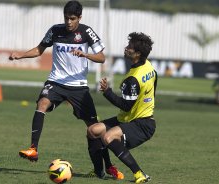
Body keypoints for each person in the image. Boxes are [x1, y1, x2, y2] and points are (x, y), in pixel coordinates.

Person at [9, 0, 123, 180]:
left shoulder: (86, 32)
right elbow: (40, 49)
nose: (68, 22)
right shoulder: (55, 30)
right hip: (56, 81)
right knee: (42, 103)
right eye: (66, 18)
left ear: (79, 18)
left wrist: (85, 54)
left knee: (95, 128)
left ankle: (107, 166)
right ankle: (33, 149)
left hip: (78, 87)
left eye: (72, 19)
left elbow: (101, 58)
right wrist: (20, 55)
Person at [88, 32, 157, 183]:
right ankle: (100, 171)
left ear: (138, 53)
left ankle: (139, 174)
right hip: (129, 119)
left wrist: (107, 92)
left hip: (142, 124)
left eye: (130, 47)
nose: (126, 48)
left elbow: (125, 106)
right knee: (93, 131)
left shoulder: (133, 79)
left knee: (108, 137)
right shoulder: (148, 65)